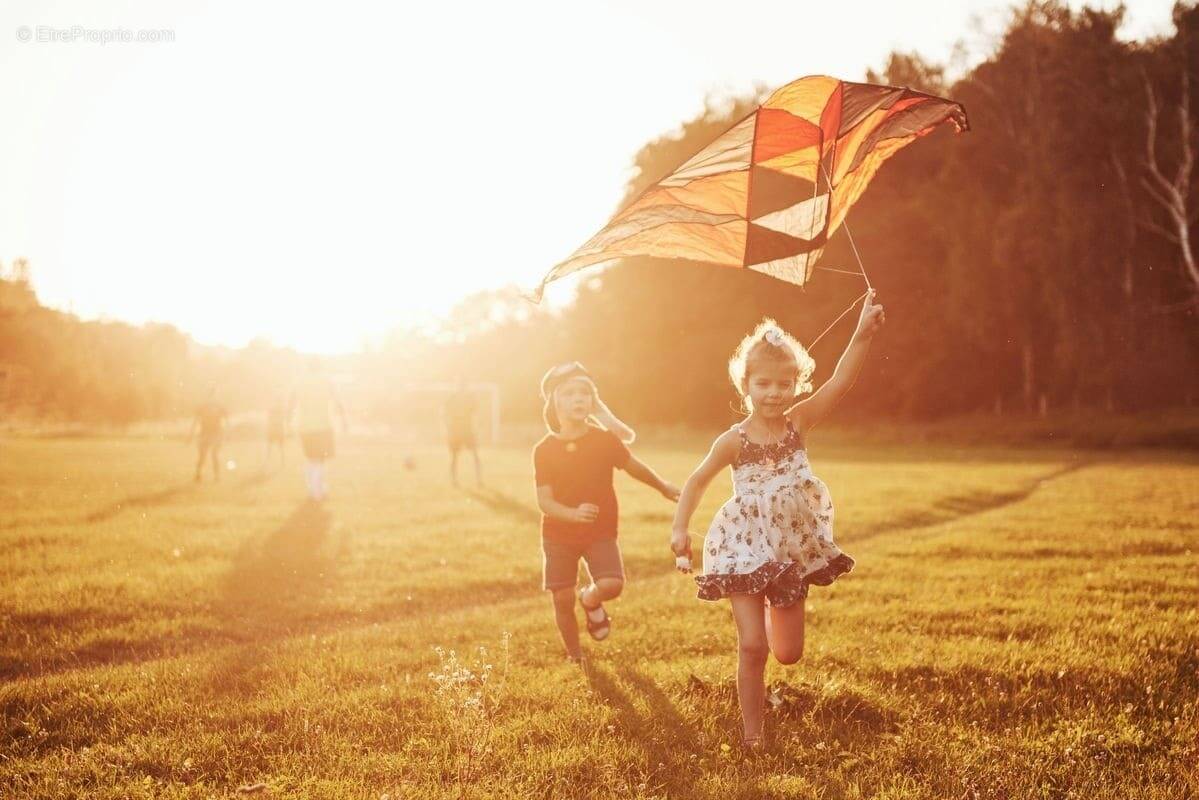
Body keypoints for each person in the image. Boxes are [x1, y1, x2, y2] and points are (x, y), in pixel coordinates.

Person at [670, 292, 885, 749]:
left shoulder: (799, 423)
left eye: (784, 384)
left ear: (796, 384)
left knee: (788, 654)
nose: (774, 393)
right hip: (742, 548)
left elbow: (840, 382)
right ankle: (754, 735)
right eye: (763, 384)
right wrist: (678, 529)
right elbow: (696, 481)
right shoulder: (732, 441)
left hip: (789, 549)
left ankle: (772, 607)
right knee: (754, 647)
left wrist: (862, 333)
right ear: (745, 385)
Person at [533, 362, 679, 662]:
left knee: (611, 585)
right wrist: (571, 514)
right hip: (558, 535)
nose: (579, 399)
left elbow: (634, 467)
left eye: (585, 393)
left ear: (593, 402)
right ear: (554, 401)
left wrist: (662, 485)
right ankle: (576, 655)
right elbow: (544, 502)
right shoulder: (544, 449)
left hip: (600, 530)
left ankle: (590, 599)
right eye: (570, 393)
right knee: (562, 598)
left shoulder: (603, 440)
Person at [289, 358, 347, 502]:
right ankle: (317, 493)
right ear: (321, 366)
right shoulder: (327, 380)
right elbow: (337, 401)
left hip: (305, 427)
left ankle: (315, 489)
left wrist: (288, 422)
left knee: (311, 459)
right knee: (319, 460)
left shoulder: (299, 382)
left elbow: (291, 403)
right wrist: (344, 420)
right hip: (323, 425)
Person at [444, 379, 482, 486]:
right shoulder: (451, 399)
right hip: (457, 431)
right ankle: (454, 480)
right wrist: (448, 429)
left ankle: (479, 480)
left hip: (467, 430)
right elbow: (446, 414)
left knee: (475, 455)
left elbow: (475, 414)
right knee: (455, 457)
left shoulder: (469, 399)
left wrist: (476, 428)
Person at [188, 389, 228, 483]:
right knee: (202, 456)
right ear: (208, 397)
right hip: (204, 433)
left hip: (216, 434)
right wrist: (191, 434)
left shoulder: (220, 407)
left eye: (215, 396)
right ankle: (198, 474)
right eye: (211, 396)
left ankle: (216, 476)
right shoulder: (202, 407)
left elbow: (226, 421)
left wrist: (226, 434)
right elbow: (195, 421)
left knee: (215, 455)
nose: (213, 398)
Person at [265, 399, 288, 469]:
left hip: (277, 430)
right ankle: (268, 461)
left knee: (280, 447)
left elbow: (281, 420)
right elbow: (270, 419)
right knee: (271, 447)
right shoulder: (273, 410)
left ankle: (282, 462)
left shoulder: (280, 410)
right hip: (274, 430)